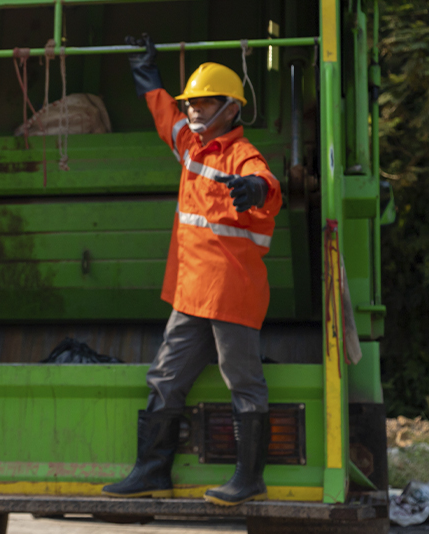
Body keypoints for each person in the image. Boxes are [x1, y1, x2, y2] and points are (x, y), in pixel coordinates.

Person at [101, 34, 282, 506]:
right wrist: (145, 71)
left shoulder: (242, 155)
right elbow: (165, 115)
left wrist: (257, 191)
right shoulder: (190, 145)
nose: (195, 111)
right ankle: (152, 471)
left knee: (242, 382)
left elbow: (267, 182)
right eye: (192, 104)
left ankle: (249, 478)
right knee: (165, 377)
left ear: (231, 108)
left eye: (204, 104)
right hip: (193, 294)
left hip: (232, 292)